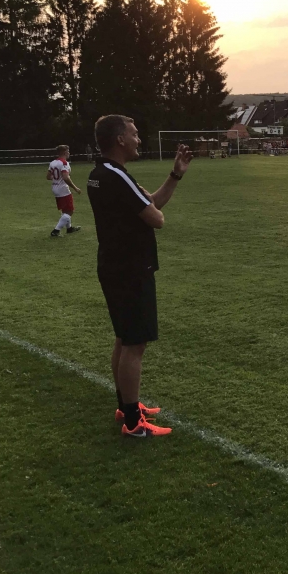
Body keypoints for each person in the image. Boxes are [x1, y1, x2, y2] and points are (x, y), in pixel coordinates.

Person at [87, 114, 193, 438]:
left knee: (124, 338)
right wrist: (153, 211)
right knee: (135, 344)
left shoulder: (99, 173)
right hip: (130, 270)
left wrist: (175, 174)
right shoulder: (117, 176)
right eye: (133, 134)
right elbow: (156, 217)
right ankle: (133, 423)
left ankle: (126, 406)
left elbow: (151, 203)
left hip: (114, 267)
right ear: (120, 139)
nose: (138, 139)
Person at [47, 144, 83, 237]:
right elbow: (66, 177)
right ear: (64, 152)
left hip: (55, 187)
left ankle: (69, 228)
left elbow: (48, 176)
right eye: (68, 151)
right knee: (70, 211)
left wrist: (56, 178)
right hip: (63, 189)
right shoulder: (64, 163)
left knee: (65, 209)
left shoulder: (53, 162)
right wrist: (75, 188)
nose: (69, 153)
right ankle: (56, 231)